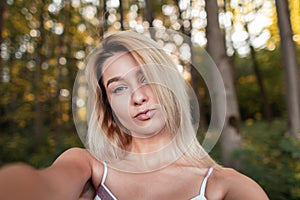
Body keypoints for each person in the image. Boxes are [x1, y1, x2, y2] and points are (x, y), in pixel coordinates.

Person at [0, 31, 269, 200]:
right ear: (109, 109)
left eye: (146, 78)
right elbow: (38, 186)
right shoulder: (88, 168)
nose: (138, 97)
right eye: (119, 88)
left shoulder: (224, 186)